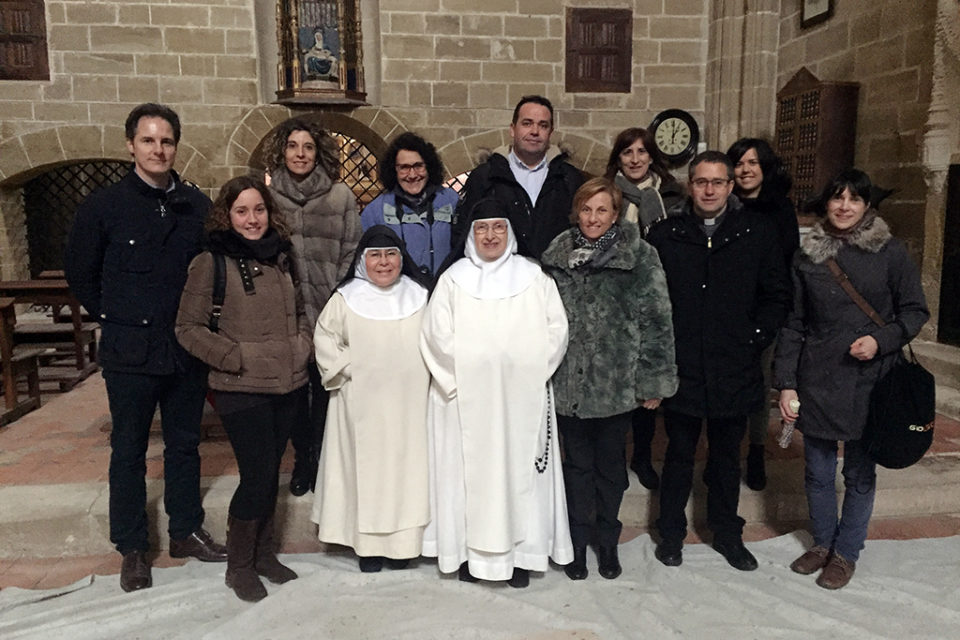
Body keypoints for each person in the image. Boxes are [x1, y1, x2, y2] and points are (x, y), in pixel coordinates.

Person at [65, 103, 226, 593]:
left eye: (167, 141)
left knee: (184, 445)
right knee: (129, 451)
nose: (159, 150)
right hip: (130, 352)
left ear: (176, 146)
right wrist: (119, 316)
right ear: (130, 145)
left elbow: (212, 270)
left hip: (183, 349)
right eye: (149, 140)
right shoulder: (103, 207)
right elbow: (81, 274)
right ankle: (132, 547)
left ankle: (185, 531)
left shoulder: (196, 206)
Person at [774, 169, 929, 590]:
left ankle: (846, 553)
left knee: (859, 474)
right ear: (827, 203)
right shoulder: (807, 255)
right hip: (819, 378)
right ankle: (822, 543)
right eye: (837, 198)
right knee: (818, 472)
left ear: (867, 206)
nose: (844, 206)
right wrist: (786, 382)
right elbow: (794, 323)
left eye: (854, 200)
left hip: (871, 380)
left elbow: (915, 311)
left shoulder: (891, 253)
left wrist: (880, 342)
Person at [646, 151, 791, 572]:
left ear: (731, 186)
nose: (709, 190)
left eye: (718, 182)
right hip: (683, 366)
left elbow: (776, 295)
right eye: (700, 182)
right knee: (678, 454)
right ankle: (670, 534)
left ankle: (727, 533)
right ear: (689, 185)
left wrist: (756, 338)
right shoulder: (666, 235)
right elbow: (651, 302)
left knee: (727, 458)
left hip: (736, 364)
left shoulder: (757, 232)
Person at [420, 202, 573, 588]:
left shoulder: (534, 278)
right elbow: (435, 335)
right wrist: (467, 376)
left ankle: (522, 556)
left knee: (520, 474)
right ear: (471, 234)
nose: (490, 236)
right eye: (482, 228)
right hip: (463, 401)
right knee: (466, 478)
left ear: (510, 233)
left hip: (521, 398)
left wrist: (528, 372)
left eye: (498, 228)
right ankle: (470, 556)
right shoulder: (453, 279)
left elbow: (556, 330)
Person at [175, 176, 309, 602]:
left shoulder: (284, 257)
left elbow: (303, 310)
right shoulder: (210, 262)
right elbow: (187, 328)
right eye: (242, 211)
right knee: (256, 475)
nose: (252, 219)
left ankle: (265, 555)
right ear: (227, 216)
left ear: (270, 212)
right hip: (241, 386)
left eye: (259, 209)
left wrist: (300, 348)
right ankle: (240, 566)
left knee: (271, 473)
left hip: (287, 382)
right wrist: (234, 357)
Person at [541, 178, 677, 581]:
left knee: (611, 472)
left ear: (615, 214)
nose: (593, 218)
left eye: (602, 210)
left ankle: (607, 541)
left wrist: (653, 381)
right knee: (576, 469)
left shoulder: (639, 257)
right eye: (586, 209)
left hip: (615, 385)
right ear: (576, 212)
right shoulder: (557, 257)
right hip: (568, 386)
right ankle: (578, 544)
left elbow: (657, 320)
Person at [310, 225, 432, 573]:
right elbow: (325, 338)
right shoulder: (346, 298)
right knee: (364, 473)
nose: (384, 262)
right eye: (375, 255)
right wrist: (349, 364)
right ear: (363, 261)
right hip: (358, 404)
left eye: (391, 254)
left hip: (411, 406)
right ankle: (368, 548)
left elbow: (439, 339)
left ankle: (404, 546)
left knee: (407, 473)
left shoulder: (421, 295)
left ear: (401, 258)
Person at [264, 117, 361, 497]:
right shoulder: (269, 198)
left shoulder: (340, 197)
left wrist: (337, 295)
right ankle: (302, 456)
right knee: (291, 396)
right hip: (286, 314)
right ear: (282, 151)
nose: (300, 154)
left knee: (326, 391)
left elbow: (352, 249)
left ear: (318, 152)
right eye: (293, 146)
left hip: (329, 309)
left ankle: (321, 462)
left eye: (308, 147)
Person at [604, 127, 685, 491]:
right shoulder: (605, 193)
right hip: (615, 295)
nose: (635, 159)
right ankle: (617, 457)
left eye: (641, 152)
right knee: (619, 380)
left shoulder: (671, 195)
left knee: (648, 383)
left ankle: (642, 455)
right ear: (618, 158)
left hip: (657, 290)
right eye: (627, 153)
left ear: (652, 156)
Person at [726, 138, 801, 491]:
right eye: (739, 162)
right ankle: (723, 453)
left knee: (758, 384)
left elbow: (786, 264)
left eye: (752, 162)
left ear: (764, 167)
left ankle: (756, 450)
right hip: (725, 309)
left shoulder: (780, 210)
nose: (745, 169)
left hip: (762, 312)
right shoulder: (723, 205)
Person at [452, 95, 584, 258]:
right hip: (501, 276)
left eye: (543, 125)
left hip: (556, 277)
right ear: (512, 129)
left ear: (550, 132)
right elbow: (464, 232)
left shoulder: (568, 177)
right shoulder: (485, 176)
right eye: (527, 123)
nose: (535, 131)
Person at [360, 132, 457, 278]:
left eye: (418, 166)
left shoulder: (451, 201)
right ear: (394, 170)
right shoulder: (375, 212)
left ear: (429, 167)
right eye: (404, 167)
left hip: (443, 293)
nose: (412, 175)